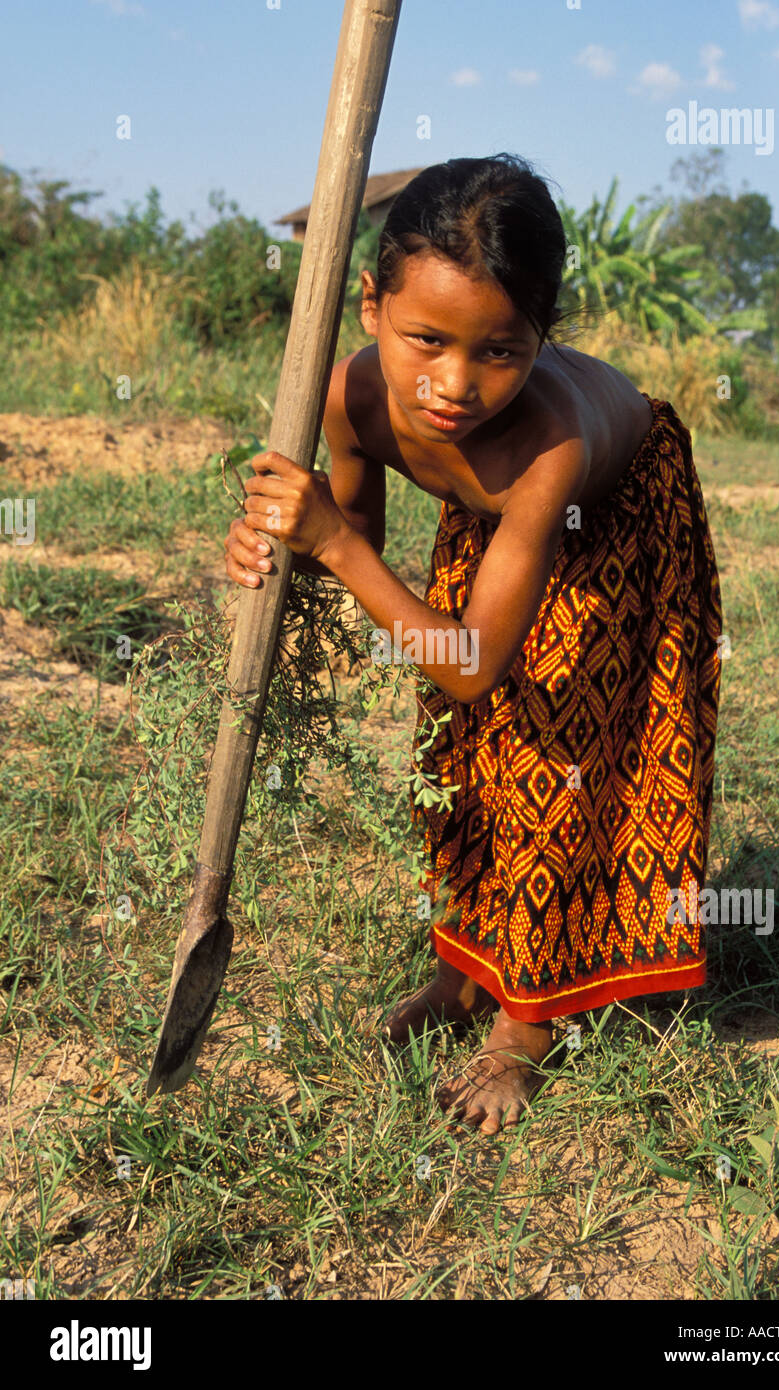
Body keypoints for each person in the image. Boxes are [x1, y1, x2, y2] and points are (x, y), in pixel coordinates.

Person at [224, 154, 723, 1136]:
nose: (456, 384)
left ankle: (526, 1021)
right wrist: (286, 536)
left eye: (502, 349)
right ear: (370, 305)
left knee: (554, 755)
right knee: (460, 755)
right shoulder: (350, 397)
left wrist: (331, 541)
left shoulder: (548, 442)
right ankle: (462, 969)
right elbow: (353, 542)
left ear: (545, 337)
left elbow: (473, 662)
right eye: (427, 341)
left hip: (605, 519)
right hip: (486, 527)